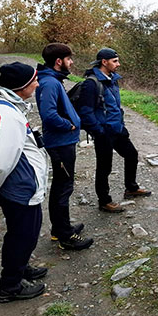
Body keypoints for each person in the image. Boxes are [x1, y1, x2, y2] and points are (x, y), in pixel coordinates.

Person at [0, 62, 48, 303]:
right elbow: (2, 162)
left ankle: (21, 268)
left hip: (21, 185)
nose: (38, 83)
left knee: (24, 233)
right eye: (34, 81)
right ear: (21, 87)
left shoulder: (7, 105)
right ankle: (10, 287)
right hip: (20, 187)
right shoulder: (7, 115)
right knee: (22, 235)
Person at [76, 48, 151, 213]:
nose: (118, 64)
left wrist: (121, 125)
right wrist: (99, 131)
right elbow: (86, 112)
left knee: (132, 155)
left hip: (117, 129)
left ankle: (131, 188)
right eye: (115, 61)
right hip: (104, 133)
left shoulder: (112, 80)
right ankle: (104, 201)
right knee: (104, 168)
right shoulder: (91, 83)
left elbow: (114, 106)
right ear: (104, 62)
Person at [35, 43, 93, 250]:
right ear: (58, 61)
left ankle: (61, 228)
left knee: (63, 185)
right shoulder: (50, 82)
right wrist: (68, 125)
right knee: (63, 187)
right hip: (60, 143)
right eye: (69, 59)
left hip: (63, 142)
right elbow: (48, 114)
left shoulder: (52, 80)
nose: (72, 62)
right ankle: (64, 236)